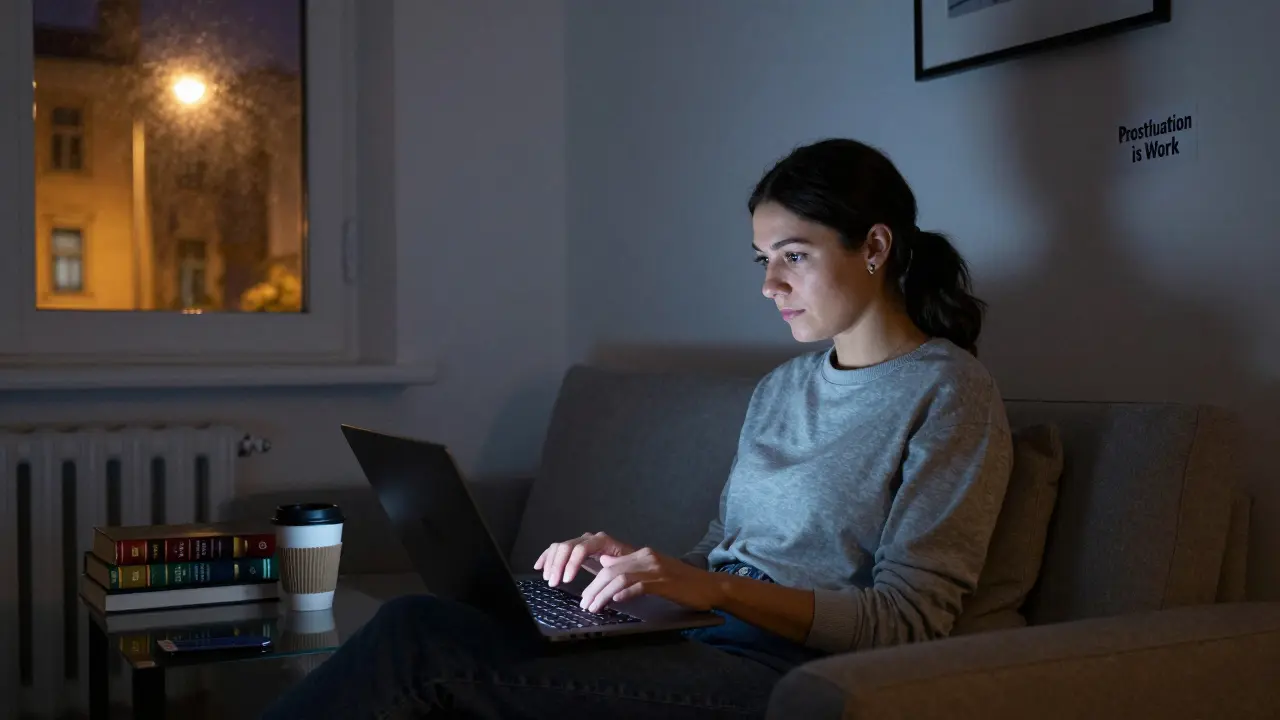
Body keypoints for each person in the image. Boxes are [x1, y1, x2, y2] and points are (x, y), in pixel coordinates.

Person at [260, 138, 1013, 719]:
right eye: (761, 258)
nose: (768, 284)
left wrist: (707, 587)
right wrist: (633, 570)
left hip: (785, 674)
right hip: (697, 636)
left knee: (419, 639)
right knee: (450, 620)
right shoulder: (783, 388)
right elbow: (726, 555)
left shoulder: (949, 393)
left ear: (874, 248)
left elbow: (908, 624)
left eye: (793, 256)